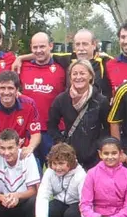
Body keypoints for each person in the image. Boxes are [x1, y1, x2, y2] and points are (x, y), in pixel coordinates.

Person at [13, 29, 112, 98]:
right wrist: (20, 58)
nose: (81, 48)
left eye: (85, 44)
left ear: (94, 45)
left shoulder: (105, 61)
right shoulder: (68, 59)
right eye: (78, 44)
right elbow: (44, 53)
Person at [47, 60, 110, 170]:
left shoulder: (100, 101)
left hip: (94, 158)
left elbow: (107, 127)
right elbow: (51, 125)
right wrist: (61, 142)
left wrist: (98, 145)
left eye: (82, 73)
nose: (78, 77)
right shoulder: (62, 100)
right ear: (70, 77)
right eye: (74, 74)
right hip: (69, 157)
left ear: (90, 76)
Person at [0, 71, 41, 173]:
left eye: (10, 88)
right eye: (2, 88)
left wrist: (30, 148)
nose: (6, 92)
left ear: (17, 90)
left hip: (19, 152)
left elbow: (36, 133)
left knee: (36, 182)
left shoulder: (29, 104)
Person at [19, 32, 67, 166]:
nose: (38, 51)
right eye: (35, 47)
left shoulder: (62, 67)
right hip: (28, 130)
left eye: (42, 46)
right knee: (30, 172)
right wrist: (20, 58)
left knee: (55, 169)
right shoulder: (22, 67)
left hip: (52, 131)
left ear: (51, 46)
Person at [35, 143, 90, 217]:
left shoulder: (81, 175)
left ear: (70, 162)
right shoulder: (50, 172)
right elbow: (42, 197)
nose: (57, 168)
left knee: (71, 214)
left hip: (77, 205)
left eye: (61, 163)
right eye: (54, 163)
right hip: (60, 203)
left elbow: (85, 205)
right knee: (52, 208)